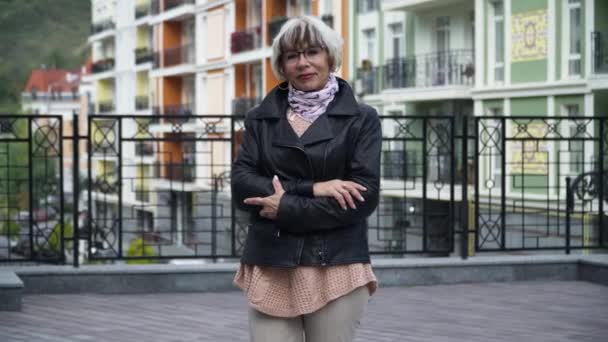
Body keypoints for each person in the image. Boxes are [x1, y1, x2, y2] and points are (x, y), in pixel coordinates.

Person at [231, 15, 381, 342]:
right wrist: (313, 188)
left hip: (336, 263)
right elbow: (242, 183)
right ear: (281, 66)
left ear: (330, 57)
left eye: (313, 52)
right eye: (292, 55)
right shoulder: (260, 118)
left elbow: (362, 198)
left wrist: (284, 206)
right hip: (272, 261)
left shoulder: (362, 119)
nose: (304, 63)